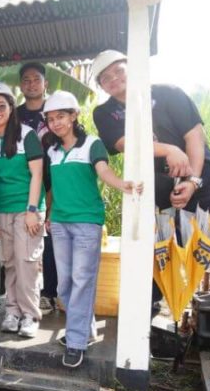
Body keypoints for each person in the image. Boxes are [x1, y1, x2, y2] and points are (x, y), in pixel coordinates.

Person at [91, 50, 210, 291]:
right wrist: (169, 149)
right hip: (158, 185)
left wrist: (193, 180)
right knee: (158, 245)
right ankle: (150, 312)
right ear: (100, 85)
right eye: (105, 77)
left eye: (118, 70)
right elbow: (124, 144)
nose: (113, 78)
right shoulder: (103, 113)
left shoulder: (169, 93)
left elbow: (194, 136)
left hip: (204, 177)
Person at [43, 91, 141, 368]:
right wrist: (48, 214)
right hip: (60, 223)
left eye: (61, 116)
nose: (56, 123)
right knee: (64, 284)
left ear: (74, 116)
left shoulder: (92, 144)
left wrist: (122, 184)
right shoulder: (51, 150)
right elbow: (52, 188)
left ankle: (75, 342)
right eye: (51, 119)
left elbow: (103, 170)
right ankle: (85, 330)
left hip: (87, 222)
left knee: (82, 280)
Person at [0, 82, 45, 338]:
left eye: (1, 106)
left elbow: (37, 173)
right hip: (2, 210)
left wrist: (32, 209)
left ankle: (30, 314)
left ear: (11, 107)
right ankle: (12, 311)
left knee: (26, 262)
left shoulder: (27, 135)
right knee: (9, 262)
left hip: (26, 209)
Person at [15, 62, 59, 313]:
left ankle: (49, 293)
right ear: (21, 85)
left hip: (54, 181)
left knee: (50, 235)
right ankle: (19, 296)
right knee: (23, 242)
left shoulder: (55, 110)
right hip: (25, 183)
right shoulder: (15, 114)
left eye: (36, 79)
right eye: (27, 80)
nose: (31, 84)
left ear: (45, 84)